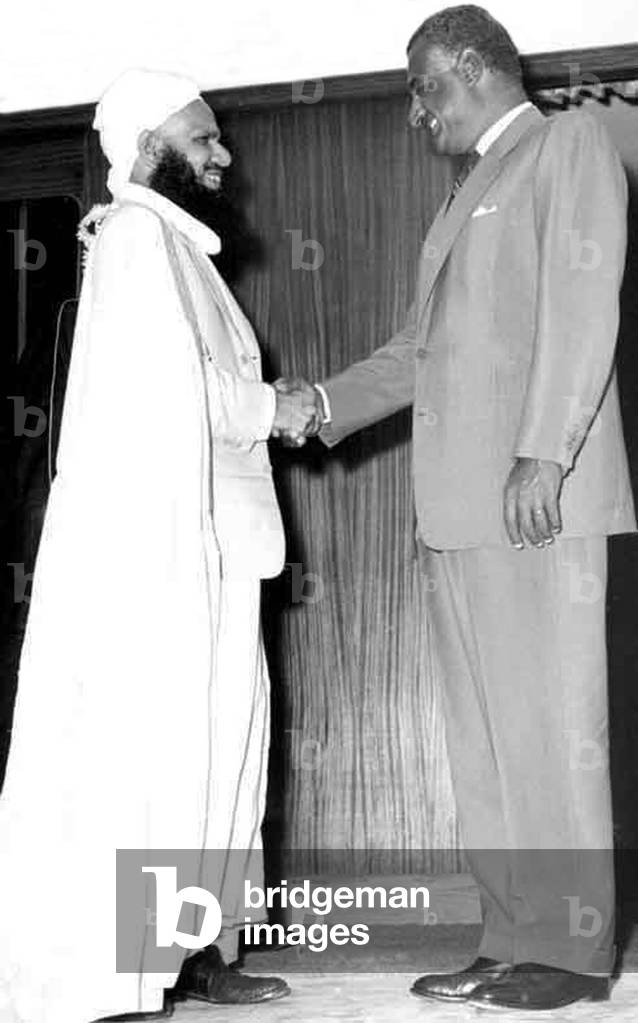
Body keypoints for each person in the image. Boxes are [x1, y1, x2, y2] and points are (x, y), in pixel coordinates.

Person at [284, 4, 636, 1011]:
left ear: (470, 70)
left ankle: (569, 956)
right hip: (455, 516)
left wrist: (542, 453)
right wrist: (318, 404)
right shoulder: (459, 202)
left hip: (535, 502)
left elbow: (583, 303)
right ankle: (508, 935)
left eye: (421, 87)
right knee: (484, 744)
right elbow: (415, 354)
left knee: (553, 733)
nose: (414, 111)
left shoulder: (560, 145)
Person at [0, 69, 318, 1023]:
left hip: (217, 553)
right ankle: (129, 966)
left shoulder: (173, 248)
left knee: (225, 751)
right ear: (148, 147)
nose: (223, 155)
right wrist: (281, 406)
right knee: (166, 751)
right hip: (168, 561)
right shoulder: (139, 241)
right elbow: (176, 398)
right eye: (203, 138)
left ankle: (199, 950)